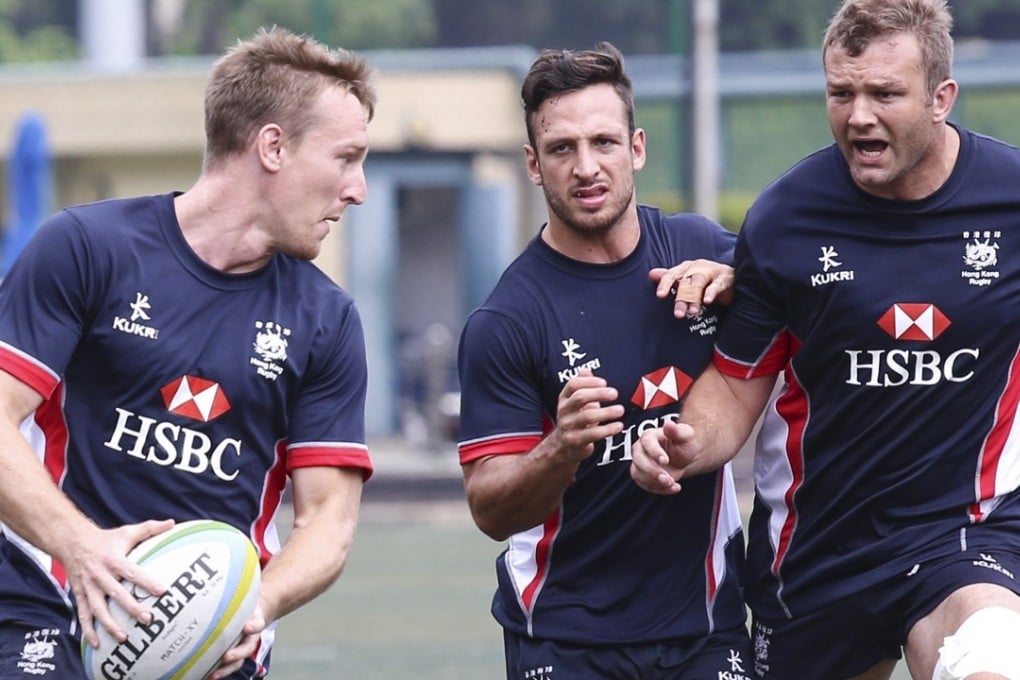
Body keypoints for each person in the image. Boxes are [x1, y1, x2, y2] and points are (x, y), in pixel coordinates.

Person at [631, 1, 1020, 678]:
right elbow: (734, 384)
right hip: (817, 550)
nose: (860, 115)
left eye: (885, 94)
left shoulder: (1012, 200)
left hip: (962, 530)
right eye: (842, 93)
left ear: (941, 98)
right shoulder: (787, 217)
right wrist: (680, 443)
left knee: (987, 655)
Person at [0, 27, 375, 679]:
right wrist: (81, 547)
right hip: (49, 603)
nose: (358, 188)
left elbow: (328, 522)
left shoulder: (328, 320)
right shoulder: (86, 249)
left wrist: (253, 605)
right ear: (273, 147)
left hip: (215, 644)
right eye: (346, 158)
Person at [456, 42, 753, 680]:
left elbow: (808, 299)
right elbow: (491, 510)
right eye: (562, 149)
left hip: (705, 625)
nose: (586, 167)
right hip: (564, 637)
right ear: (534, 166)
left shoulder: (701, 250)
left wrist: (738, 277)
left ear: (637, 148)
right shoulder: (506, 321)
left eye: (604, 142)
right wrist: (562, 447)